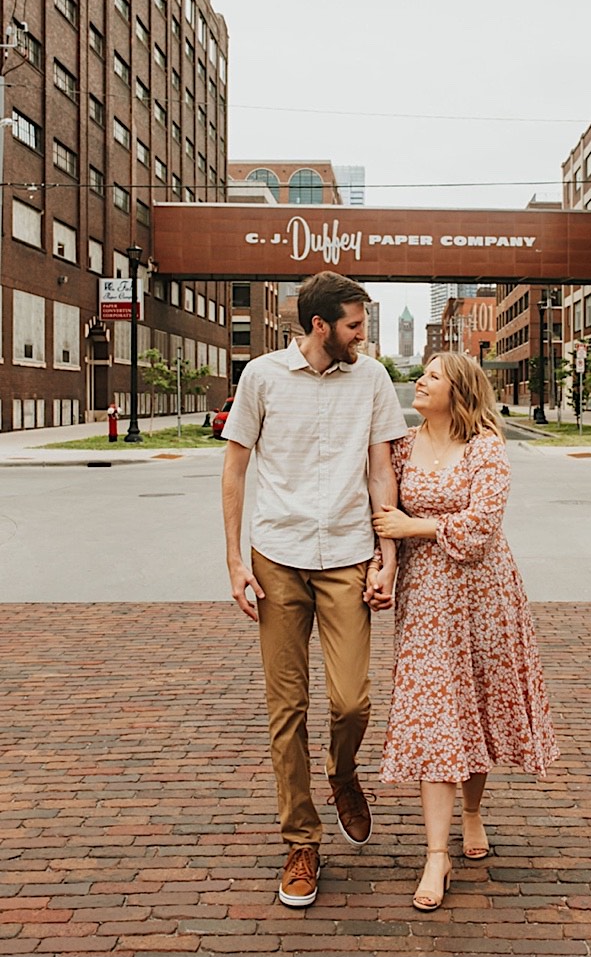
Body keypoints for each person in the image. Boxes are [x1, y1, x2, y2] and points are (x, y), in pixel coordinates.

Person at [220, 271, 407, 909]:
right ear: (321, 325)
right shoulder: (263, 377)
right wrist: (233, 560)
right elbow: (235, 464)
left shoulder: (373, 378)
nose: (364, 334)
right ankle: (301, 840)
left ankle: (342, 771)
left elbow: (382, 467)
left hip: (349, 555)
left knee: (352, 701)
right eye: (355, 324)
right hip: (277, 556)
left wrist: (389, 558)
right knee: (287, 709)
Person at [372, 351, 558, 911]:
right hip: (426, 599)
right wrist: (384, 563)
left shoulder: (486, 448)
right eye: (422, 373)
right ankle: (436, 855)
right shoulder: (401, 448)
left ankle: (472, 812)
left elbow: (481, 528)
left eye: (432, 377)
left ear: (459, 392)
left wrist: (417, 525)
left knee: (473, 707)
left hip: (486, 596)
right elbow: (380, 517)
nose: (420, 382)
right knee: (436, 716)